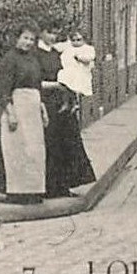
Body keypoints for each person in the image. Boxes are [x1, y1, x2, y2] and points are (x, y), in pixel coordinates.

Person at [0, 26, 47, 204]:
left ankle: (34, 191)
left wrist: (42, 108)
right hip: (18, 107)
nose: (28, 42)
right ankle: (17, 192)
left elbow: (38, 85)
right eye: (25, 38)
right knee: (18, 151)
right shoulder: (10, 59)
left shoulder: (33, 59)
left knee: (34, 151)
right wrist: (10, 113)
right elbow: (3, 89)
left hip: (33, 109)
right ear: (17, 38)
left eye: (31, 40)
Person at [44, 28, 97, 196]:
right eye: (49, 32)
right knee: (53, 146)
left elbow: (88, 59)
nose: (52, 37)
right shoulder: (51, 52)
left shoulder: (83, 50)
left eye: (54, 34)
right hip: (50, 105)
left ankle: (64, 185)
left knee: (68, 145)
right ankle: (52, 186)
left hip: (64, 104)